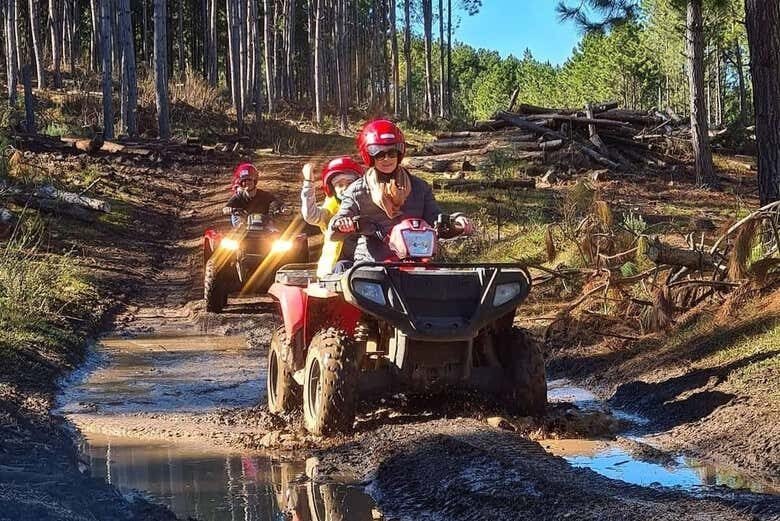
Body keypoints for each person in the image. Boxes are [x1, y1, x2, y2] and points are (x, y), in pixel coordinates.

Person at [330, 119, 473, 265]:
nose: (387, 158)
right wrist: (342, 223)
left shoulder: (420, 187)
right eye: (379, 154)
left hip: (417, 261)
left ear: (400, 153)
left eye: (392, 152)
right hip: (373, 265)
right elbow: (336, 225)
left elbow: (435, 219)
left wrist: (456, 221)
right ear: (369, 156)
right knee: (364, 282)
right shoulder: (356, 191)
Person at [300, 156, 363, 277]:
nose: (345, 188)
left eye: (350, 183)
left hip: (366, 262)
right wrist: (308, 183)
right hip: (336, 269)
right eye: (339, 185)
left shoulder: (369, 205)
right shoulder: (330, 212)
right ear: (333, 189)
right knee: (341, 267)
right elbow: (310, 215)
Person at [223, 163, 286, 227]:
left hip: (265, 227)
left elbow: (277, 202)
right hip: (244, 228)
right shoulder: (238, 196)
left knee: (274, 230)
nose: (247, 182)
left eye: (249, 180)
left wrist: (280, 208)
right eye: (244, 181)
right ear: (240, 183)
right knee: (236, 217)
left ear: (255, 180)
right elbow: (226, 207)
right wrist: (228, 209)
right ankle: (238, 229)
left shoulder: (264, 195)